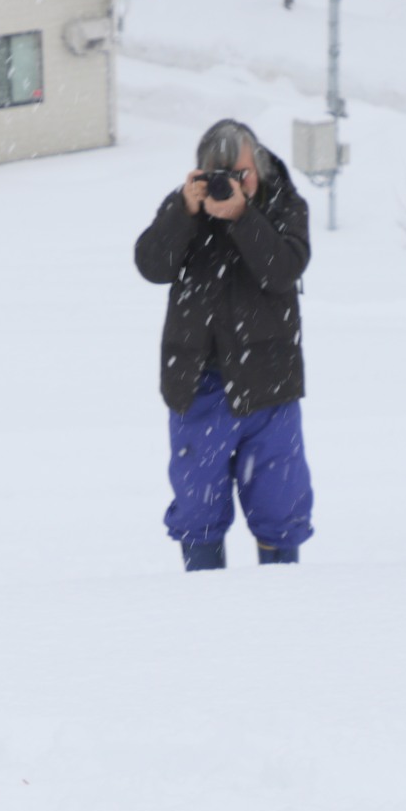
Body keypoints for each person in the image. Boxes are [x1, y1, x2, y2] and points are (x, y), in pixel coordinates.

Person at [133, 118, 314, 570]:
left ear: (260, 167)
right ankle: (205, 599)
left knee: (280, 507)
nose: (231, 184)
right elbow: (152, 265)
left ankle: (284, 597)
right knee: (198, 510)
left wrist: (242, 218)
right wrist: (183, 212)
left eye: (241, 173)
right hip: (198, 386)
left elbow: (282, 269)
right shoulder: (185, 209)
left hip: (269, 383)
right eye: (221, 174)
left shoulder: (283, 205)